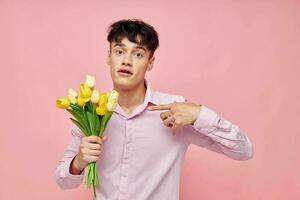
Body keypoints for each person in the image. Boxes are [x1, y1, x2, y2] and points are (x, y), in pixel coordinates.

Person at [55, 19, 254, 200]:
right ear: (109, 57)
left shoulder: (176, 111)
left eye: (138, 54)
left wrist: (199, 114)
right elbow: (63, 180)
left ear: (150, 63)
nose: (126, 60)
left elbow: (243, 151)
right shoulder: (90, 113)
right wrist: (78, 162)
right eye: (119, 51)